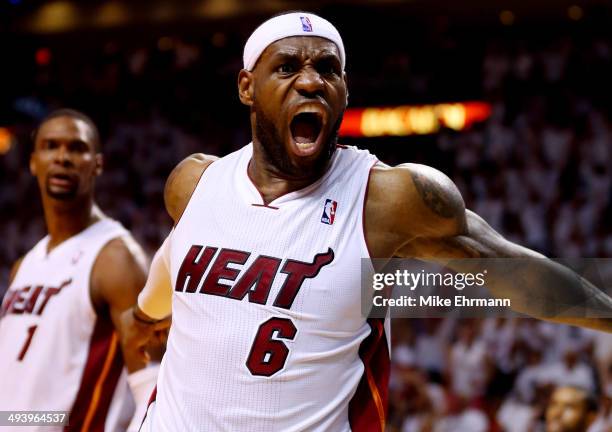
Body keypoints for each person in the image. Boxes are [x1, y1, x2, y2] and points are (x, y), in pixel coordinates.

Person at [127, 12, 612, 431]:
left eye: (327, 69)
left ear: (344, 89)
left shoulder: (389, 198)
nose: (312, 80)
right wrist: (145, 316)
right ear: (247, 87)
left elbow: (518, 274)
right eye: (288, 67)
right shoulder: (193, 183)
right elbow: (175, 264)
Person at [0, 109, 166, 431]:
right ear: (33, 162)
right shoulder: (26, 264)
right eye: (51, 146)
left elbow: (153, 385)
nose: (62, 157)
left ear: (98, 164)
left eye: (76, 148)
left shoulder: (117, 259)